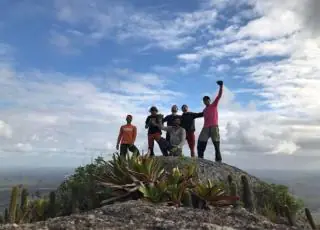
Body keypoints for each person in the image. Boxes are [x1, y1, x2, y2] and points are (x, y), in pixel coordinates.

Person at [197, 80, 223, 162]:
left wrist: (221, 86)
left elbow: (219, 96)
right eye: (204, 100)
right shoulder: (204, 110)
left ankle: (218, 159)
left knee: (216, 143)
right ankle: (200, 158)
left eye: (207, 100)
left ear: (209, 100)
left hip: (214, 126)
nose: (205, 101)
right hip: (205, 128)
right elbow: (198, 115)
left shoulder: (214, 105)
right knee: (201, 141)